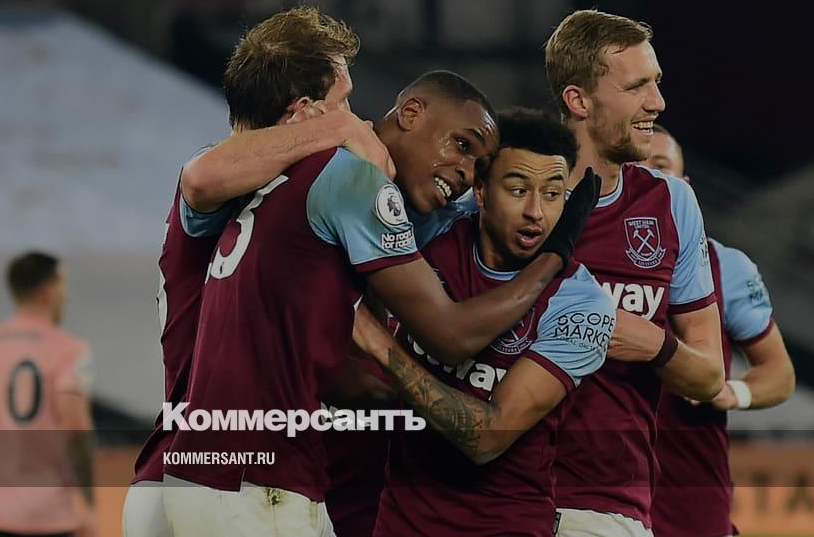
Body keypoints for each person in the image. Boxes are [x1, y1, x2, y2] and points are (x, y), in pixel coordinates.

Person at [161, 67, 598, 534]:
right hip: (257, 480)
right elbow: (450, 336)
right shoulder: (358, 183)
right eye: (462, 145)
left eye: (553, 195)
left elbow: (200, 176)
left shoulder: (263, 176)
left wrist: (378, 354)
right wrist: (555, 255)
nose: (466, 170)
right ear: (410, 113)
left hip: (204, 464)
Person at [123, 6, 393, 537]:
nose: (353, 117)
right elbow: (202, 177)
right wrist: (340, 129)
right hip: (237, 475)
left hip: (187, 467)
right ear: (305, 109)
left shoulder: (273, 194)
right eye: (343, 101)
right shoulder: (227, 176)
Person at [355, 107, 612, 537]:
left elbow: (487, 438)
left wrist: (377, 342)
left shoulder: (581, 304)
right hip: (399, 521)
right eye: (518, 190)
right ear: (480, 191)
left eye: (553, 194)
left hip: (506, 525)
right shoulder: (433, 231)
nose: (536, 212)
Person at [544, 9, 726, 536]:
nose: (658, 102)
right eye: (636, 87)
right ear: (578, 100)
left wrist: (652, 343)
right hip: (495, 498)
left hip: (606, 506)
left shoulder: (672, 204)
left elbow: (709, 375)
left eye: (656, 82)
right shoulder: (511, 197)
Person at [640, 124, 796, 537]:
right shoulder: (584, 257)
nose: (649, 176)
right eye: (635, 165)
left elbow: (779, 373)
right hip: (596, 502)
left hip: (693, 510)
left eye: (661, 166)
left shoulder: (725, 266)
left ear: (686, 187)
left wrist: (730, 391)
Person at [0, 252, 95, 537]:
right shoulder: (68, 349)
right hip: (48, 516)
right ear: (48, 290)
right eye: (63, 285)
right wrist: (89, 502)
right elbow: (76, 429)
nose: (66, 295)